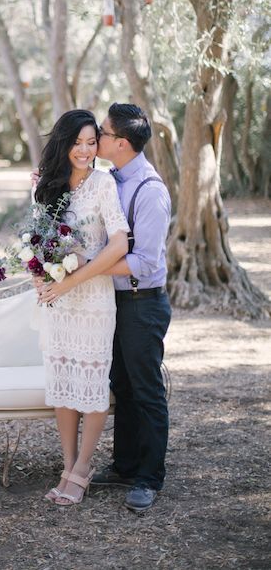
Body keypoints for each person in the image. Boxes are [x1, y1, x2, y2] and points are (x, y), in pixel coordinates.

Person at [33, 109, 130, 506]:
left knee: (90, 385)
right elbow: (36, 240)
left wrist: (72, 280)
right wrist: (38, 273)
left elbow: (119, 244)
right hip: (57, 303)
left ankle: (83, 468)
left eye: (92, 143)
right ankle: (68, 464)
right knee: (64, 384)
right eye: (78, 143)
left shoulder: (104, 184)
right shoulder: (46, 185)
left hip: (92, 300)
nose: (86, 150)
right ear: (64, 143)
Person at [89, 102, 172, 513]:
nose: (97, 135)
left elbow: (147, 262)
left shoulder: (150, 192)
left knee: (146, 391)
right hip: (116, 301)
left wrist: (92, 270)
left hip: (143, 303)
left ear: (120, 143)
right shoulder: (109, 180)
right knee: (121, 385)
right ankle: (124, 465)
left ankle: (149, 477)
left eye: (102, 132)